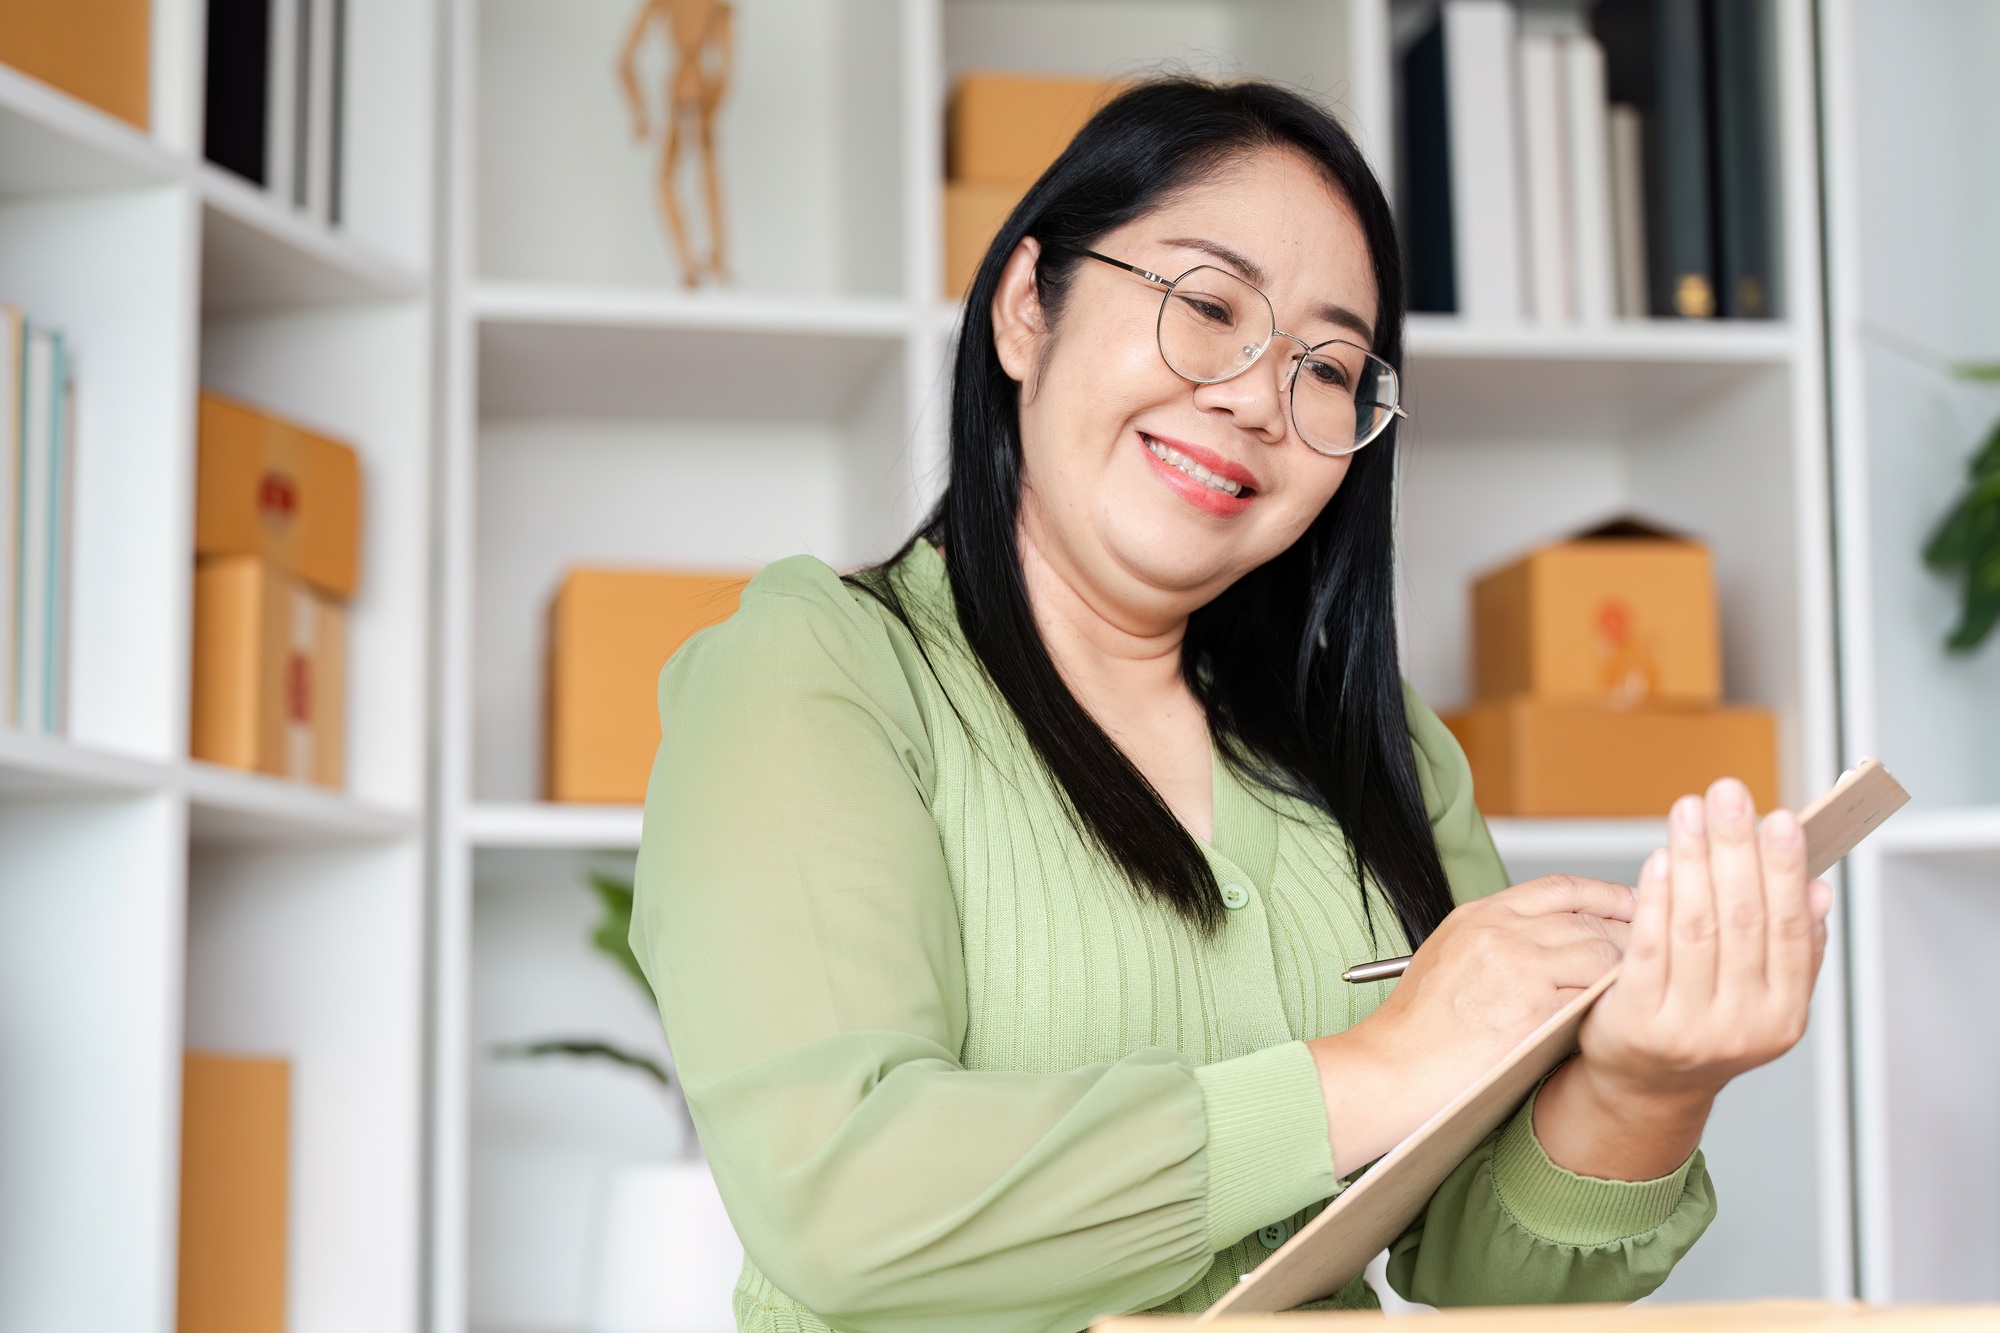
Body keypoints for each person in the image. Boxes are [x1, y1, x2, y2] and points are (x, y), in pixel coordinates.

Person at [631, 78, 1831, 1332]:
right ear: (1024, 309)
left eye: (1328, 368)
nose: (1260, 398)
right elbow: (846, 1205)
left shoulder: (1383, 748)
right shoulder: (817, 664)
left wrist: (1645, 1082)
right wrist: (1381, 1067)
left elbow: (1475, 1268)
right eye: (1206, 307)